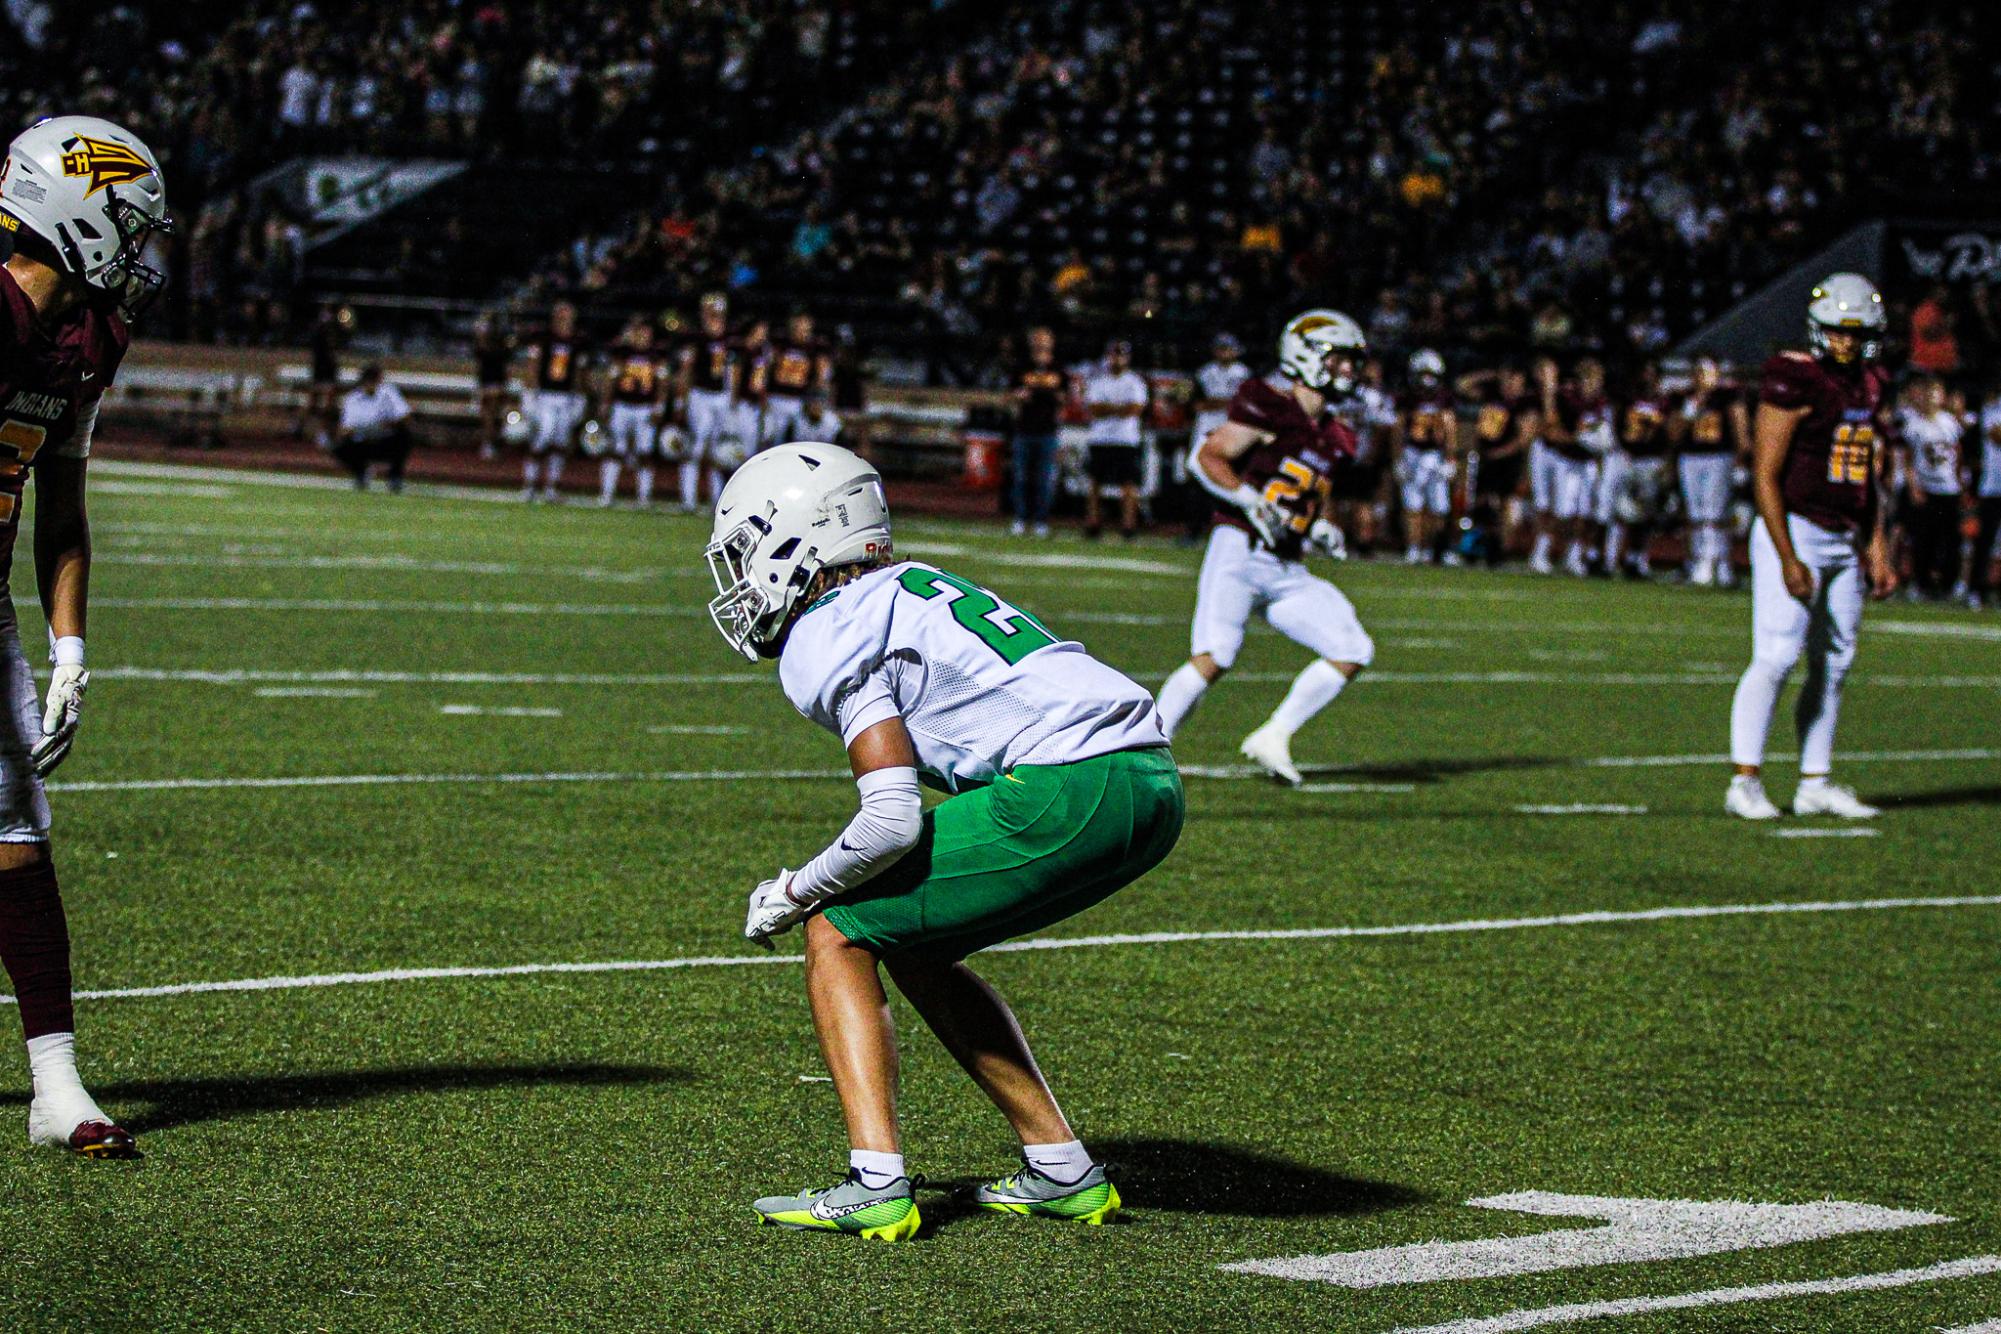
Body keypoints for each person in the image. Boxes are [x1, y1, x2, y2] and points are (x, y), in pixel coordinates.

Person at [705, 443, 1182, 1239]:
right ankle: (1059, 1165)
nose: (744, 577)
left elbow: (890, 818)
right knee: (918, 946)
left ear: (801, 537)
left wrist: (797, 890)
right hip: (1149, 781)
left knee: (838, 926)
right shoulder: (913, 587)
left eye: (750, 552)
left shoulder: (833, 626)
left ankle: (874, 1183)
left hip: (1068, 785)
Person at [0, 113, 174, 1158]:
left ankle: (55, 1085)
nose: (143, 255)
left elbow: (59, 497)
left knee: (17, 835)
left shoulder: (89, 335)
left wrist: (69, 643)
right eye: (134, 229)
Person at [1154, 309, 1375, 785]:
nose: (1348, 372)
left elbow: (1303, 495)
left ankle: (1273, 735)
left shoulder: (1338, 435)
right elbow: (1207, 458)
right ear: (1307, 356)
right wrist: (1248, 498)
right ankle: (1143, 749)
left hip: (1286, 565)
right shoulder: (1268, 404)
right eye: (1339, 361)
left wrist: (1316, 527)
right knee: (1216, 656)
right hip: (1240, 549)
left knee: (1351, 646)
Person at [1726, 274, 1898, 822]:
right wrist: (1787, 555)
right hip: (1796, 527)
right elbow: (1766, 474)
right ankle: (1745, 782)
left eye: (1855, 333)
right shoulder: (1793, 378)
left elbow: (1865, 473)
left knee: (1835, 663)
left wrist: (1876, 544)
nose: (1845, 342)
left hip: (1845, 533)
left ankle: (1813, 782)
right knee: (1777, 655)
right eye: (1837, 332)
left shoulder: (1870, 383)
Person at [1531, 356, 1609, 576]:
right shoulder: (1567, 399)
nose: (1590, 385)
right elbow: (1550, 431)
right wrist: (1578, 439)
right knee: (1562, 511)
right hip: (1565, 460)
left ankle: (1574, 556)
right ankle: (1542, 552)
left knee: (1585, 512)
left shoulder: (1601, 403)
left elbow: (1602, 437)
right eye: (1586, 380)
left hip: (1587, 463)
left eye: (1594, 381)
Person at [1456, 364, 1539, 564]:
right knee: (1480, 502)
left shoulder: (1525, 404)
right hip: (1487, 458)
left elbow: (1524, 437)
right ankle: (1477, 545)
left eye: (1514, 380)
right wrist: (1489, 373)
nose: (1510, 385)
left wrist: (1499, 453)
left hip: (1507, 461)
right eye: (1507, 380)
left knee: (1504, 505)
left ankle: (1499, 548)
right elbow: (1462, 385)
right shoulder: (1492, 396)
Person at [1677, 357, 1749, 586]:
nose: (1702, 377)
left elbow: (1740, 429)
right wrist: (1690, 409)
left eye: (1706, 372)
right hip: (1691, 456)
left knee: (1714, 511)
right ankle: (1705, 561)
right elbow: (1673, 433)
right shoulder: (1687, 398)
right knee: (1696, 512)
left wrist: (1740, 459)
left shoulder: (1727, 396)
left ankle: (1712, 562)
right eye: (1698, 371)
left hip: (1719, 456)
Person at [1895, 375, 1966, 599]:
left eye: (1936, 393)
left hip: (1949, 488)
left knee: (1951, 539)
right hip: (1926, 488)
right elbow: (1907, 458)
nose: (1932, 398)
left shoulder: (1950, 422)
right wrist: (1914, 486)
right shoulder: (1914, 425)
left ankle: (1948, 584)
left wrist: (1960, 481)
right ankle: (1920, 582)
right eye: (1929, 393)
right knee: (1923, 538)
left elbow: (1958, 453)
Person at [1602, 361, 1674, 578]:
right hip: (1627, 458)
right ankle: (1609, 558)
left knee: (1645, 514)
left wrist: (1666, 461)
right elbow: (1615, 424)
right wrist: (1621, 450)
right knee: (1618, 511)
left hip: (1651, 460)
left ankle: (1637, 559)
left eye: (1652, 374)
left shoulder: (1666, 402)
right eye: (1645, 373)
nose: (1648, 379)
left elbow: (1670, 433)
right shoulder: (1626, 399)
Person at [1187, 333, 1252, 541]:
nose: (1224, 353)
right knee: (1199, 480)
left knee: (1232, 480)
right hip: (1206, 431)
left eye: (1228, 348)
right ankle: (1195, 529)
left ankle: (1232, 529)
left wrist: (1217, 402)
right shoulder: (1204, 373)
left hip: (1234, 435)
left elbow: (1246, 404)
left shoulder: (1245, 373)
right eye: (1221, 348)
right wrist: (1227, 402)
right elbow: (1197, 404)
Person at [1081, 339, 1147, 540]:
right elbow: (1094, 410)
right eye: (1114, 354)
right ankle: (1093, 524)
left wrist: (1108, 408)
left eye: (1121, 355)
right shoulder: (1098, 380)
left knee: (1128, 484)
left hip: (1126, 439)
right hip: (1101, 438)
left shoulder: (1135, 381)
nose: (1117, 359)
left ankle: (1128, 526)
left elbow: (1135, 410)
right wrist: (1119, 408)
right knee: (1094, 483)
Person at [522, 300, 588, 502]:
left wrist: (580, 396)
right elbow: (533, 365)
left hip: (566, 397)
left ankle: (552, 487)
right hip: (545, 395)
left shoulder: (578, 341)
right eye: (562, 315)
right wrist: (530, 392)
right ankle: (530, 484)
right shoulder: (543, 338)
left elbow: (579, 371)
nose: (565, 320)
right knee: (544, 435)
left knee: (560, 441)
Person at [599, 318, 669, 507]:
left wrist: (659, 407)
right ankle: (606, 494)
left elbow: (663, 383)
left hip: (645, 407)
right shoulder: (622, 352)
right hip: (622, 405)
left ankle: (643, 497)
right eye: (638, 333)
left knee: (644, 452)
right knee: (616, 450)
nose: (642, 337)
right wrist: (606, 403)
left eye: (645, 333)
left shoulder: (657, 355)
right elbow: (610, 379)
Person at [1397, 349, 1457, 564]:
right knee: (1412, 505)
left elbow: (1449, 428)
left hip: (1435, 454)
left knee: (1439, 507)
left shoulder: (1444, 398)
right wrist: (1399, 459)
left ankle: (1435, 549)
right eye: (1423, 374)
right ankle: (1414, 549)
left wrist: (1450, 458)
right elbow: (1399, 428)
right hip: (1413, 452)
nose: (1426, 380)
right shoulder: (1407, 398)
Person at [1008, 326, 1069, 537]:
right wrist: (1018, 397)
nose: (1041, 344)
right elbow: (1011, 395)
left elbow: (1066, 397)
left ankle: (1041, 520)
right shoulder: (1021, 367)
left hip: (1048, 430)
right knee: (1021, 477)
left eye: (1045, 340)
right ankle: (1020, 518)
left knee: (1045, 479)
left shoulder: (1059, 368)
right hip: (1024, 429)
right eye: (1037, 340)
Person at [677, 292, 734, 506]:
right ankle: (688, 499)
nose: (714, 319)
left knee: (718, 451)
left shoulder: (729, 338)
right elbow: (686, 370)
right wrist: (681, 401)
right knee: (696, 446)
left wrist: (731, 399)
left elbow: (731, 372)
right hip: (700, 395)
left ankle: (717, 501)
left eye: (717, 314)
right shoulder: (696, 338)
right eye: (710, 314)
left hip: (720, 396)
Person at [333, 363, 413, 491]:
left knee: (405, 436)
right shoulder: (352, 399)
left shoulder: (388, 393)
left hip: (385, 440)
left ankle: (395, 477)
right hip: (362, 442)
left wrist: (388, 423)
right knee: (338, 446)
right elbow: (344, 429)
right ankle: (361, 472)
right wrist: (360, 429)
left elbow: (406, 416)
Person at [766, 310, 831, 440]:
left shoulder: (816, 348)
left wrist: (815, 399)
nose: (801, 329)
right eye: (798, 324)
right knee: (771, 438)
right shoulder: (780, 342)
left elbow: (822, 377)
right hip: (776, 397)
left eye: (805, 325)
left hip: (800, 401)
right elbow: (767, 368)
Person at [472, 313, 514, 460]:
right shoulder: (498, 344)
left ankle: (490, 444)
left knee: (490, 416)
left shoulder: (493, 345)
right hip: (493, 381)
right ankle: (492, 443)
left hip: (491, 382)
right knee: (492, 415)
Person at [1975, 374, 2001, 609]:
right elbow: (1996, 435)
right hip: (1993, 487)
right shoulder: (1993, 408)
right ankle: (1977, 590)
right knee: (1984, 541)